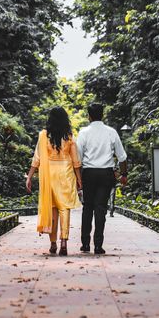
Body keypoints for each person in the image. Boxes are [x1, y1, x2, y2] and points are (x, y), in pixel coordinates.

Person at [26, 107, 82, 256]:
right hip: (66, 173)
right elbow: (76, 160)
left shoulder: (44, 135)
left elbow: (36, 158)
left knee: (52, 209)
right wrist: (79, 179)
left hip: (49, 174)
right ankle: (64, 241)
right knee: (64, 209)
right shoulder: (69, 136)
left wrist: (30, 176)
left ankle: (53, 244)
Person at [76, 102, 127, 254]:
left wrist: (77, 179)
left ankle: (85, 244)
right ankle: (98, 245)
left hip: (89, 173)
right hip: (106, 174)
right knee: (100, 209)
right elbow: (122, 157)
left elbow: (77, 159)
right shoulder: (111, 132)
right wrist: (124, 175)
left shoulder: (83, 132)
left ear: (89, 116)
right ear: (102, 115)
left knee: (87, 208)